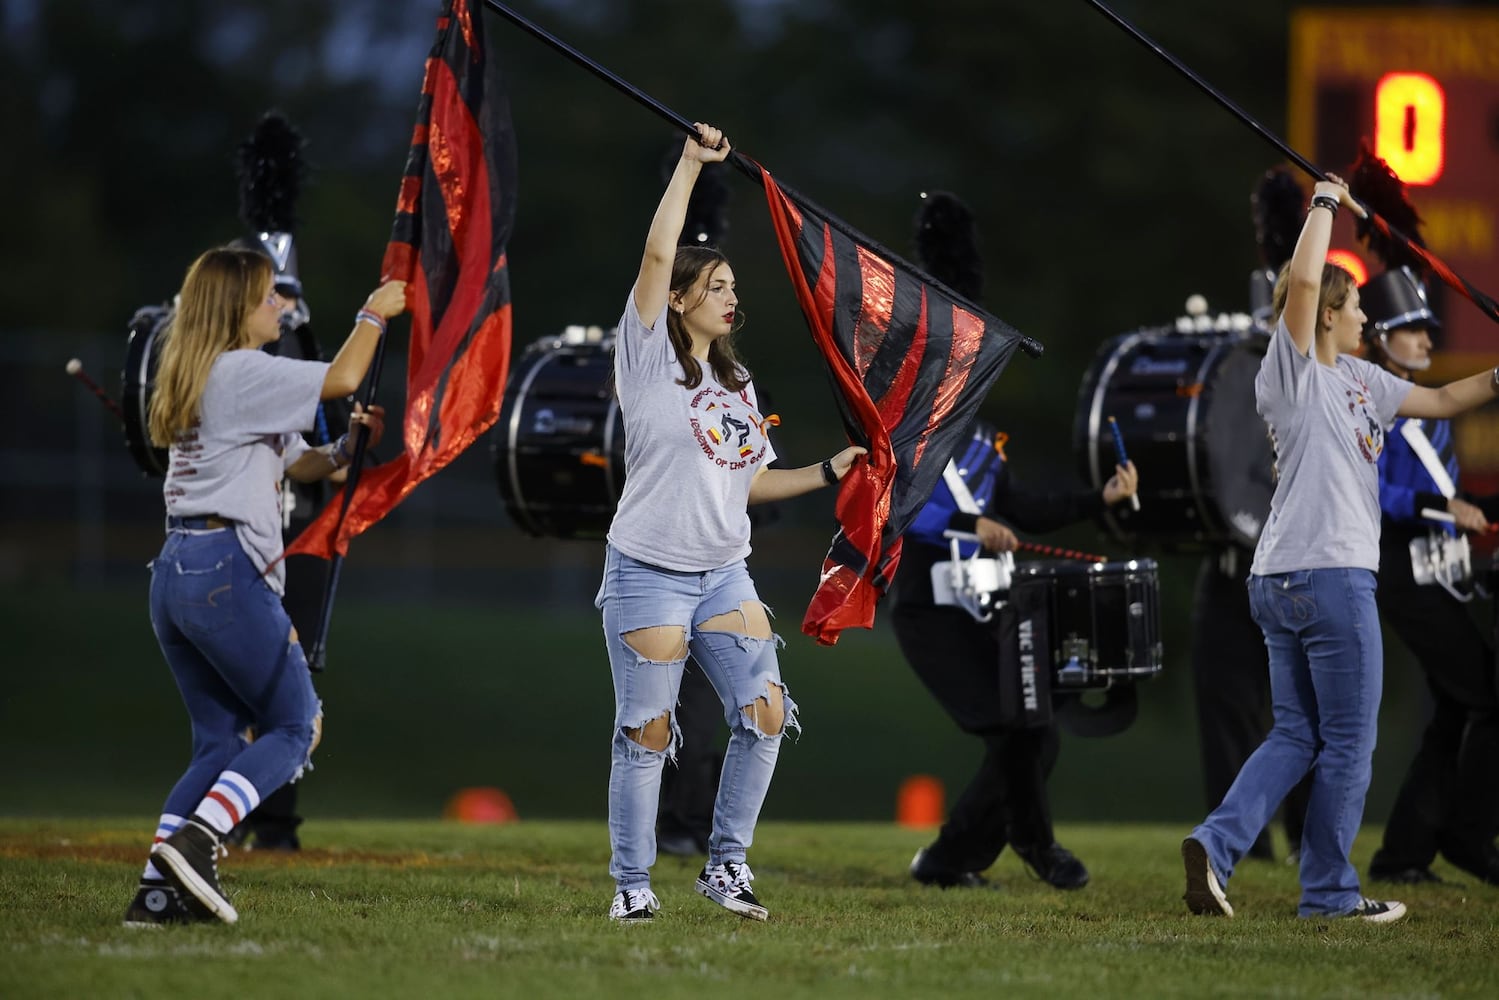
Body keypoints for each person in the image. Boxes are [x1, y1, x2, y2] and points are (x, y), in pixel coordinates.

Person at [1181, 174, 1499, 922]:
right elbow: (1298, 281)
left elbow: (1447, 399)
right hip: (1327, 579)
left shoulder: (1362, 380)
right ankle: (1326, 894)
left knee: (1297, 733)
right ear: (1325, 315)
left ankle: (1214, 844)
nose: (1364, 318)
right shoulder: (1291, 374)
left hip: (1284, 578)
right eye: (1353, 306)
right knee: (1348, 744)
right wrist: (1323, 200)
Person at [597, 123, 864, 923]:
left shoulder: (736, 380)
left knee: (766, 714)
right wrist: (687, 164)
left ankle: (725, 869)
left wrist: (826, 471)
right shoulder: (645, 353)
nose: (729, 296)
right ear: (677, 300)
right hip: (647, 570)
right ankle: (632, 886)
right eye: (714, 286)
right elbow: (654, 257)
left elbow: (750, 482)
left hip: (722, 571)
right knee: (645, 734)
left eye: (731, 286)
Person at [123, 245, 405, 926]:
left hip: (177, 569)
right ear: (236, 309)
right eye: (267, 297)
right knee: (295, 725)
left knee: (219, 743)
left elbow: (304, 466)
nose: (281, 306)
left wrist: (344, 450)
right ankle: (198, 839)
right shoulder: (243, 371)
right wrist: (374, 311)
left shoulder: (205, 375)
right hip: (224, 567)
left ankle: (157, 891)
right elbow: (342, 377)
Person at [895, 417, 1138, 891]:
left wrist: (1098, 498)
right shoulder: (904, 432)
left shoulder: (984, 440)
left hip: (983, 608)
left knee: (1035, 734)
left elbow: (1025, 507)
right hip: (930, 613)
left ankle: (948, 859)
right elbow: (891, 507)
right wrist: (969, 524)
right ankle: (1038, 845)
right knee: (1017, 729)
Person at [1358, 266, 1499, 886]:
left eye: (1425, 330)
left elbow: (1453, 497)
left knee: (1454, 708)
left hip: (1440, 572)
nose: (1424, 340)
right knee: (1482, 691)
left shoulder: (1434, 414)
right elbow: (1381, 493)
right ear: (1380, 337)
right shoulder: (1367, 405)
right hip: (1398, 571)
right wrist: (1444, 508)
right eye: (1410, 330)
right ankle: (1466, 834)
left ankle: (1404, 853)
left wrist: (1470, 510)